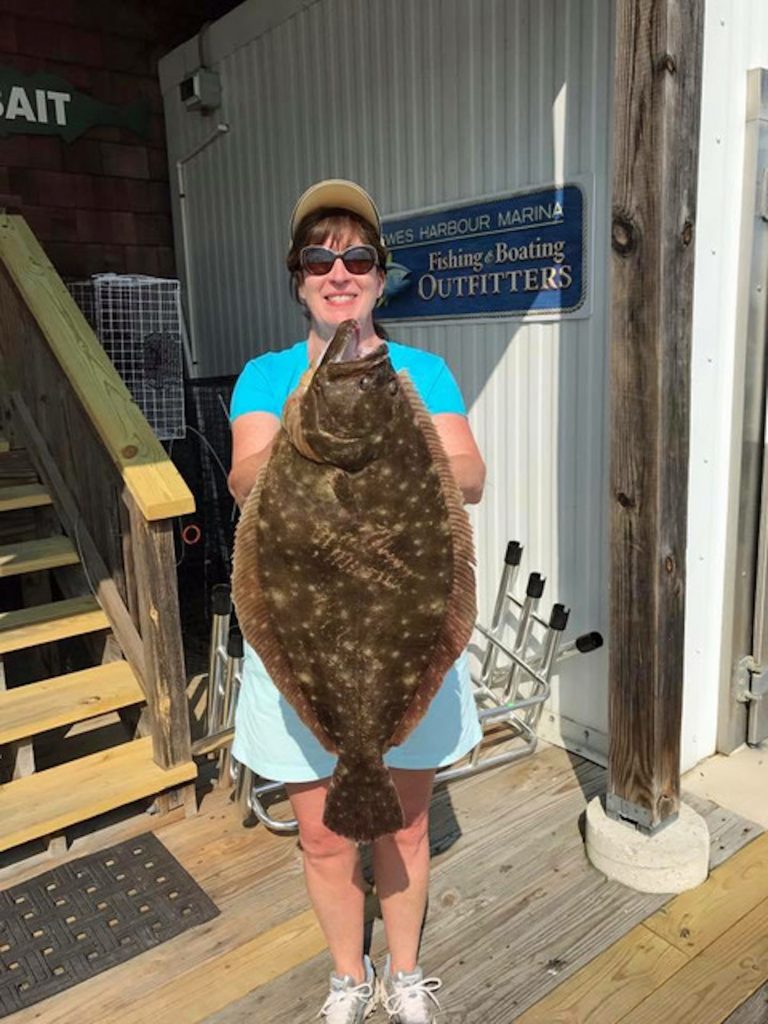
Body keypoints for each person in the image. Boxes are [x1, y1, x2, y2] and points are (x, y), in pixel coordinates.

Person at [228, 179, 486, 1024]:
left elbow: (471, 479)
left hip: (399, 627)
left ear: (380, 276)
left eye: (358, 257)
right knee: (323, 835)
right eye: (318, 258)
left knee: (405, 831)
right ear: (298, 278)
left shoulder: (419, 371)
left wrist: (388, 440)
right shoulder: (269, 376)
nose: (338, 272)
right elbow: (243, 480)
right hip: (306, 635)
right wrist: (313, 415)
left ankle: (404, 974)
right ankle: (349, 976)